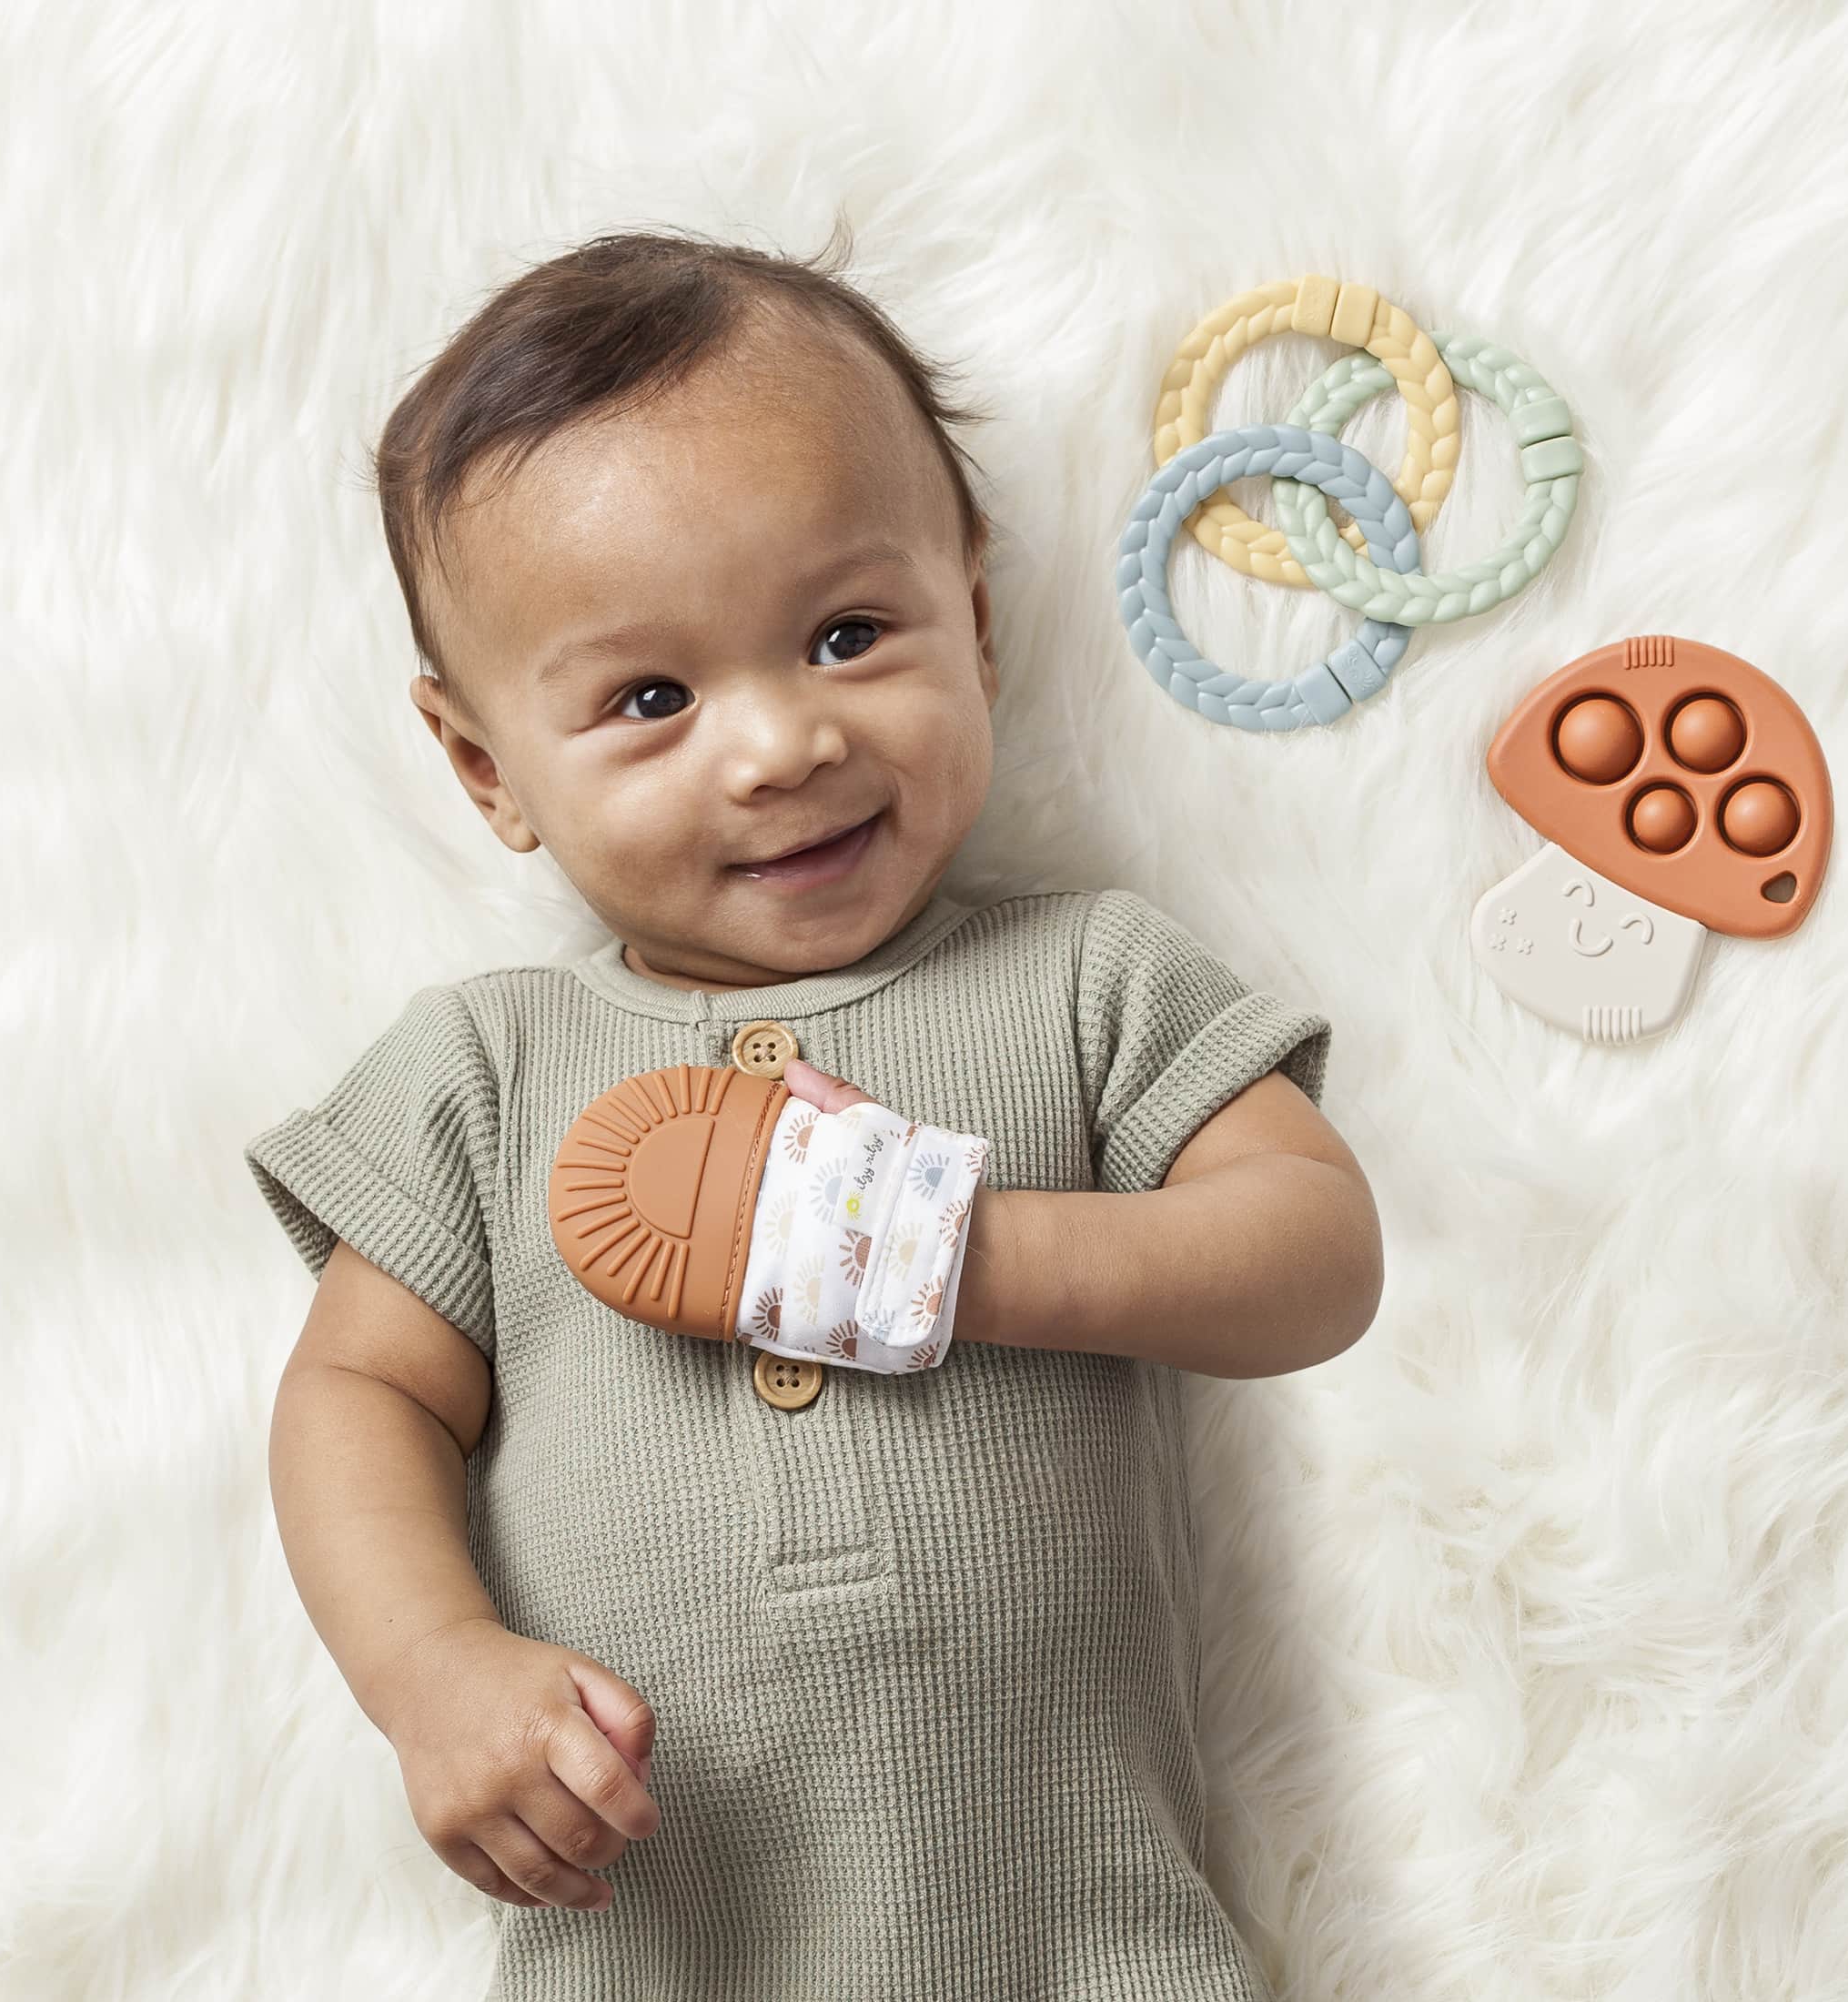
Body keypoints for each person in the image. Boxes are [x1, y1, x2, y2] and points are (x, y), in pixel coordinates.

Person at [245, 222, 1383, 2002]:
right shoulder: (482, 1066)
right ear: (487, 770)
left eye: (846, 634)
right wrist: (432, 1669)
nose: (778, 743)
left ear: (976, 624)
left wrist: (950, 1243)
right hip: (657, 1927)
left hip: (1087, 1929)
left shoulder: (1078, 976)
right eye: (649, 697)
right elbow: (355, 1391)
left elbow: (1311, 1257)